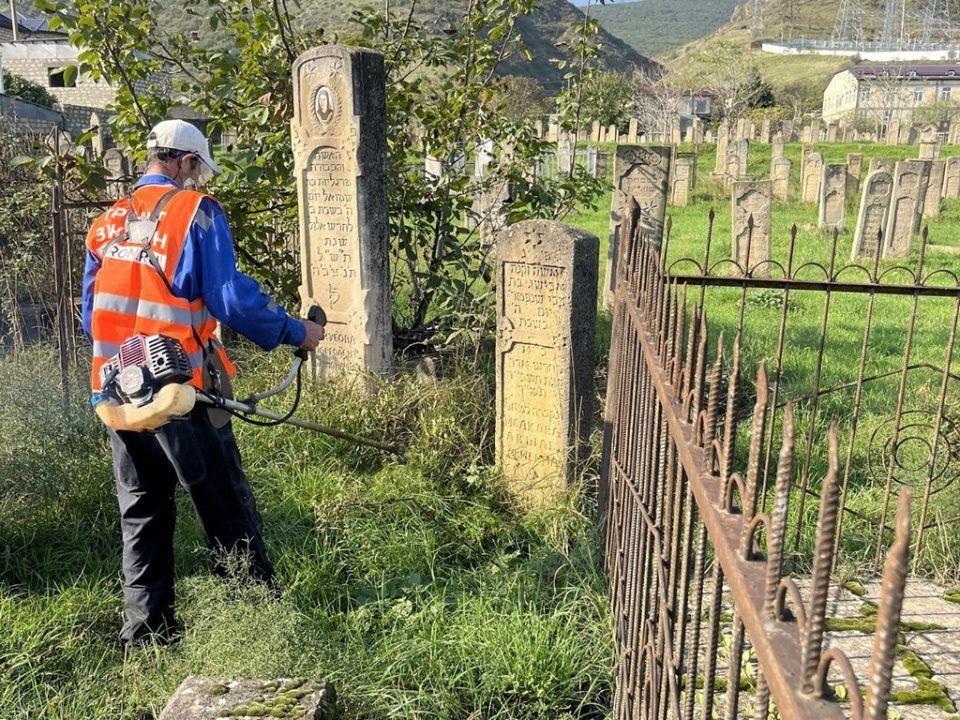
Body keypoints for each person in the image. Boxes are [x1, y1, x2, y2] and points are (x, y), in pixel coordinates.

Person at [80, 119, 325, 649]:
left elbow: (90, 316)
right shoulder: (197, 214)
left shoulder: (106, 223)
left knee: (142, 513)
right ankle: (259, 626)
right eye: (197, 169)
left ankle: (146, 636)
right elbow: (231, 299)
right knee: (223, 507)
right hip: (180, 393)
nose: (196, 180)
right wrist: (295, 331)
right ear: (186, 162)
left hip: (118, 393)